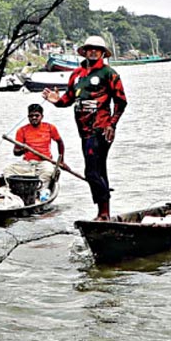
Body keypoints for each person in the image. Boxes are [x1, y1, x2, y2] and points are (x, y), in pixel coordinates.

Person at [44, 35, 127, 220]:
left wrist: (112, 125)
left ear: (103, 53)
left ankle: (103, 212)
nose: (93, 51)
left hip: (101, 129)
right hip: (84, 130)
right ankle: (103, 212)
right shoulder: (77, 74)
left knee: (92, 171)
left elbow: (121, 102)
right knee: (98, 170)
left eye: (97, 49)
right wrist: (56, 102)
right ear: (85, 50)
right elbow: (68, 99)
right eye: (90, 48)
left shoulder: (109, 73)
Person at [5, 103, 65, 190]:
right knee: (8, 169)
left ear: (42, 116)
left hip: (44, 162)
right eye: (31, 116)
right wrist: (24, 150)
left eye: (37, 115)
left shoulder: (49, 127)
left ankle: (40, 192)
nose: (34, 118)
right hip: (28, 163)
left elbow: (60, 142)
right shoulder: (22, 130)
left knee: (49, 172)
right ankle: (14, 190)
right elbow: (16, 152)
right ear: (28, 117)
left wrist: (61, 161)